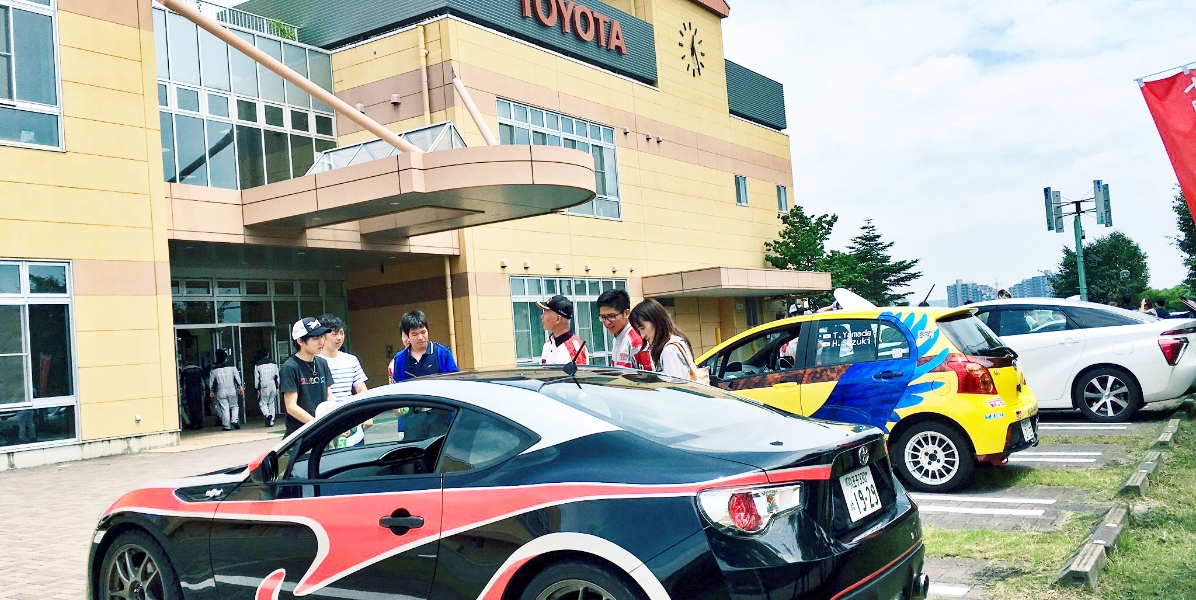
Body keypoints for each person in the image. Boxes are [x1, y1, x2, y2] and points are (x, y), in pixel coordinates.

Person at [280, 317, 335, 437]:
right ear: (300, 341)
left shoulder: (322, 363)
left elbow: (329, 395)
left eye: (321, 336)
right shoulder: (290, 367)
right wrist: (316, 424)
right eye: (315, 338)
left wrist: (334, 420)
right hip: (300, 436)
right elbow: (291, 406)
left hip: (322, 432)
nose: (321, 342)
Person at [630, 299, 701, 381]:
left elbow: (674, 389)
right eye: (639, 330)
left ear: (656, 321)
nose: (642, 335)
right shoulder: (677, 339)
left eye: (643, 328)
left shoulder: (670, 351)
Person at [389, 311, 459, 382]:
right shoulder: (399, 359)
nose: (420, 337)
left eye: (423, 332)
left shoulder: (443, 353)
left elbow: (454, 381)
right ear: (407, 336)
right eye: (414, 334)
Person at [597, 289, 652, 370]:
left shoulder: (635, 341)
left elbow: (648, 377)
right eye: (602, 317)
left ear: (626, 313)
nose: (606, 323)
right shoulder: (616, 338)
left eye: (611, 316)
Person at [538, 295, 587, 365]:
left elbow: (580, 375)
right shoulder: (548, 344)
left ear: (558, 319)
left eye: (545, 313)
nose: (541, 317)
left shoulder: (575, 349)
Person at [208, 349, 244, 431]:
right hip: (231, 389)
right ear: (225, 357)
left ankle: (227, 426)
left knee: (225, 408)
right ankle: (234, 420)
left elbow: (212, 381)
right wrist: (240, 386)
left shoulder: (214, 369)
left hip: (221, 390)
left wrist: (212, 390)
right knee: (234, 406)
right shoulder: (232, 366)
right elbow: (237, 378)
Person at [179, 351, 206, 430]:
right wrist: (203, 390)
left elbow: (182, 382)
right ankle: (199, 422)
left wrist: (182, 391)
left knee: (191, 407)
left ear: (187, 361)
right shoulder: (199, 369)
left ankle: (193, 423)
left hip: (189, 390)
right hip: (198, 390)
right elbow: (202, 381)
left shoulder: (184, 370)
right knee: (199, 406)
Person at [253, 350, 280, 428]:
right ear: (268, 354)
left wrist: (257, 389)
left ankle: (267, 415)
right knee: (271, 402)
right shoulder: (273, 363)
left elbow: (256, 378)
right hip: (273, 384)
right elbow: (277, 375)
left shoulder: (258, 364)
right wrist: (277, 386)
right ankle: (272, 421)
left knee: (263, 402)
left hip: (264, 384)